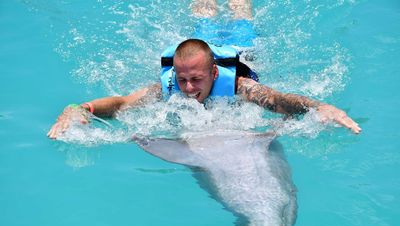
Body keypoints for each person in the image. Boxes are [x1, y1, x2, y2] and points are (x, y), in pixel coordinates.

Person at [47, 39, 361, 139]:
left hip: (242, 40)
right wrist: (79, 108)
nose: (187, 88)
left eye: (196, 80)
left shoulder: (239, 86)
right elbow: (120, 105)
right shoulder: (168, 88)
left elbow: (278, 101)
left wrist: (319, 107)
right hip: (201, 40)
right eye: (182, 79)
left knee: (239, 8)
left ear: (214, 72)